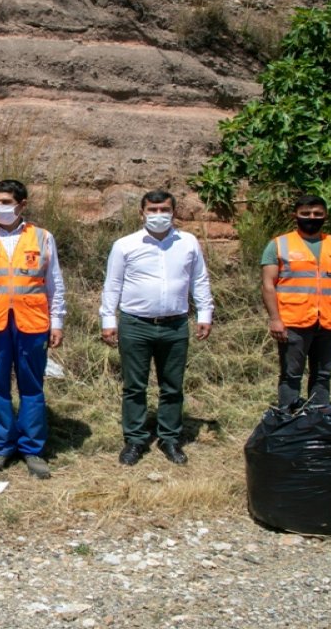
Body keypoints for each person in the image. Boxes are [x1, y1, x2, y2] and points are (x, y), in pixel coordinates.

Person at [0, 179, 65, 480]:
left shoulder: (42, 238)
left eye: (6, 202)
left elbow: (54, 283)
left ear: (22, 205)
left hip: (32, 323)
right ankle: (1, 447)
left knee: (32, 386)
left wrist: (57, 321)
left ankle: (32, 449)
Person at [100, 191, 213, 466]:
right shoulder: (125, 245)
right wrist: (108, 320)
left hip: (175, 325)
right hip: (135, 324)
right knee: (134, 386)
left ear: (174, 212)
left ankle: (169, 438)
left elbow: (199, 279)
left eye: (164, 209)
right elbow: (112, 284)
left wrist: (205, 313)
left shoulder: (187, 243)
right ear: (142, 213)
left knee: (172, 385)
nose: (158, 214)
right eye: (153, 209)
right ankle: (136, 439)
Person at [261, 195, 331, 407]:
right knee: (291, 375)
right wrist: (275, 319)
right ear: (295, 215)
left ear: (325, 216)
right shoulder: (279, 245)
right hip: (293, 322)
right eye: (306, 213)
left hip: (330, 322)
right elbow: (268, 284)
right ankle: (288, 419)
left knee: (323, 375)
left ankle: (317, 418)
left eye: (317, 214)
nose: (311, 218)